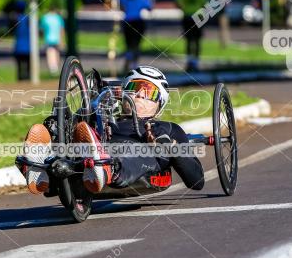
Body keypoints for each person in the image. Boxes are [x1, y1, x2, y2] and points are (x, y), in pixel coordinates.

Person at [19, 66, 204, 195]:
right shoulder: (105, 117)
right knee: (67, 127)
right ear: (122, 93)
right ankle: (40, 166)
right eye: (134, 88)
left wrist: (172, 148)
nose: (139, 95)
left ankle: (109, 169)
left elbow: (197, 180)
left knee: (134, 153)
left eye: (149, 93)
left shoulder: (167, 129)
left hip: (136, 156)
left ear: (159, 105)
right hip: (94, 147)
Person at [176, 0, 208, 72]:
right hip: (198, 17)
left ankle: (189, 62)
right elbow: (205, 5)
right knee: (197, 40)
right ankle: (196, 62)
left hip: (187, 17)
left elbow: (178, 3)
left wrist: (185, 9)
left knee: (189, 40)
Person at [120, 0, 152, 68]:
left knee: (128, 44)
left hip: (128, 21)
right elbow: (149, 7)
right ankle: (134, 64)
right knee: (136, 44)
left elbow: (122, 8)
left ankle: (127, 62)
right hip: (138, 22)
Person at [40, 8, 65, 74]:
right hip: (57, 39)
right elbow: (61, 29)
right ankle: (56, 68)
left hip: (48, 38)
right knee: (56, 53)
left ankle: (52, 68)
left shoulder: (45, 17)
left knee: (50, 52)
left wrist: (42, 36)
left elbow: (42, 29)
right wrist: (62, 40)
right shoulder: (58, 18)